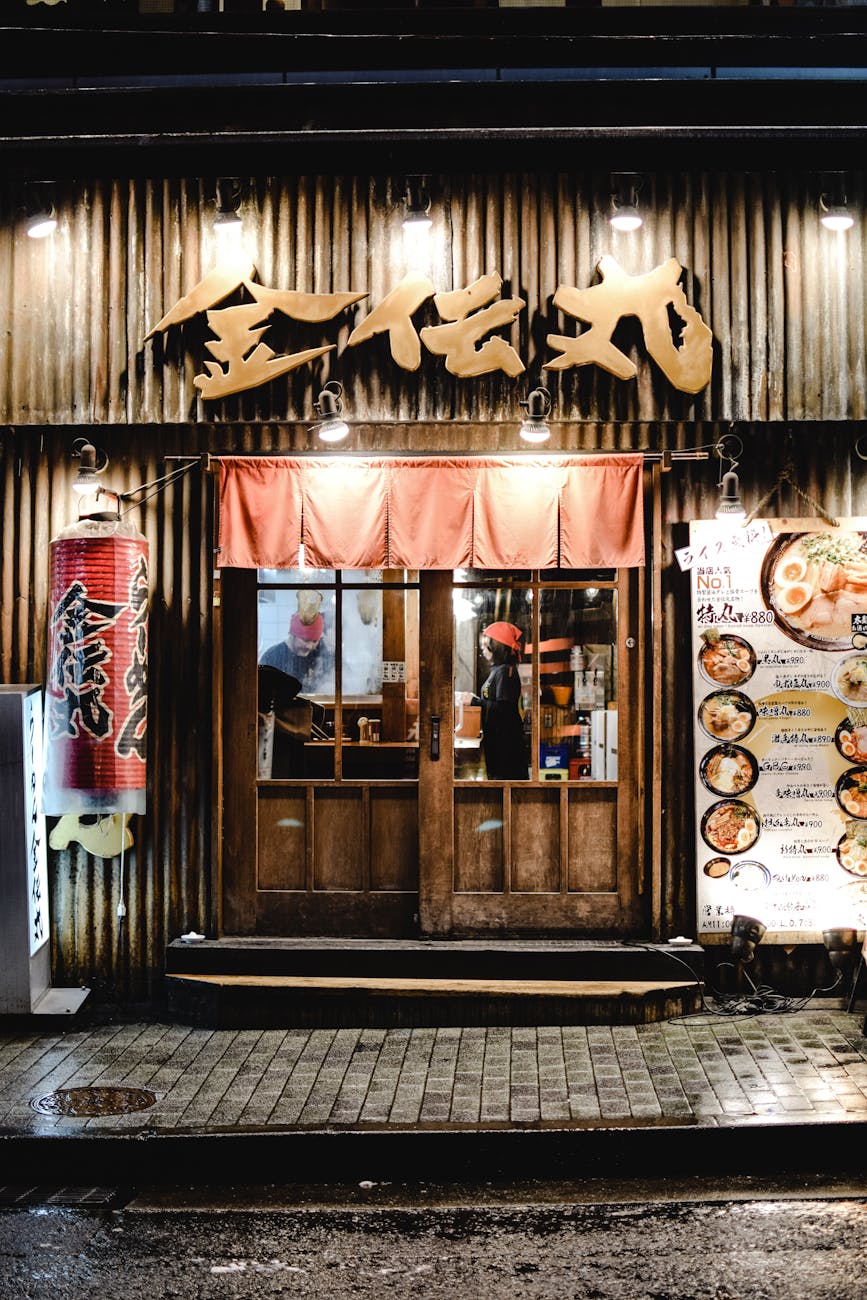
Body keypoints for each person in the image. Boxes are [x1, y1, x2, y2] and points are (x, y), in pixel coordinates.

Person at [476, 620, 528, 780]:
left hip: (506, 748)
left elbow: (504, 710)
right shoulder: (498, 670)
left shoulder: (506, 672)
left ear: (497, 646)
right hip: (497, 744)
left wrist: (474, 702)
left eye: (486, 643)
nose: (482, 648)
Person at [259, 590, 331, 693]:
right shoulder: (273, 656)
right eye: (305, 640)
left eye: (315, 641)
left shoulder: (320, 654)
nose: (310, 646)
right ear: (292, 635)